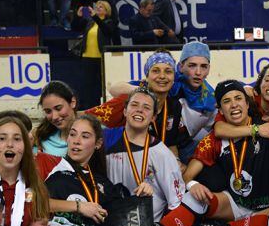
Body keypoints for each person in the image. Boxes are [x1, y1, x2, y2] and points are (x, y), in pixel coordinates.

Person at [159, 80, 269, 226]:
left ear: (247, 103)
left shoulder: (266, 130)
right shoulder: (214, 140)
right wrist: (193, 185)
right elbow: (187, 176)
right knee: (193, 197)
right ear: (220, 109)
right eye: (227, 101)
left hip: (268, 206)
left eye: (238, 98)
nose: (234, 105)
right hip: (232, 205)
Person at [89, 42, 217, 163]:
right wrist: (148, 92)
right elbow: (114, 89)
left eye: (203, 66)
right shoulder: (166, 82)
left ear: (209, 69)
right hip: (143, 148)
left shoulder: (210, 97)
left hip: (178, 145)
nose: (198, 72)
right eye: (192, 65)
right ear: (180, 67)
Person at [103, 87, 184, 222]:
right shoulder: (105, 140)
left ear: (153, 117)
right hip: (109, 225)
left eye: (146, 107)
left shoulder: (162, 154)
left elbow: (176, 203)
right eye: (134, 105)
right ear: (124, 111)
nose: (139, 110)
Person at [72, 0, 119, 109]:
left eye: (101, 7)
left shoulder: (109, 22)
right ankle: (89, 107)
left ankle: (100, 106)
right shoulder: (91, 22)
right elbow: (75, 28)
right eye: (97, 6)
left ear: (106, 11)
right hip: (87, 57)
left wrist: (95, 18)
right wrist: (78, 17)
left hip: (100, 58)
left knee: (99, 84)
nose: (98, 8)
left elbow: (107, 31)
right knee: (87, 84)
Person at [34, 80, 79, 156]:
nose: (54, 117)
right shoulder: (41, 140)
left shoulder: (93, 136)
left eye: (58, 108)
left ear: (72, 102)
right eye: (48, 111)